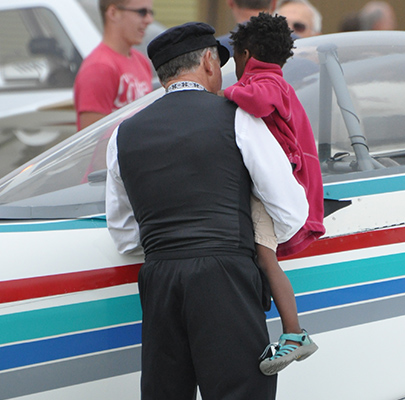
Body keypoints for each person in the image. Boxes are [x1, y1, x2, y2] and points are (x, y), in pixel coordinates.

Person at [106, 21, 309, 399]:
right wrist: (258, 242)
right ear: (207, 63)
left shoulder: (123, 134)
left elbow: (125, 236)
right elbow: (291, 210)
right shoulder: (237, 117)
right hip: (225, 276)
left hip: (160, 279)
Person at [222, 12, 324, 375]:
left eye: (234, 59)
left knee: (266, 258)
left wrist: (223, 95)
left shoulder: (266, 82)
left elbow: (257, 102)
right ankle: (292, 332)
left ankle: (295, 333)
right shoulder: (279, 81)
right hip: (282, 185)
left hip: (276, 189)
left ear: (246, 55)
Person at [74, 0, 154, 131]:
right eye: (141, 12)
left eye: (151, 13)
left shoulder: (142, 61)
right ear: (113, 13)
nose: (149, 20)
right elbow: (93, 138)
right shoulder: (99, 68)